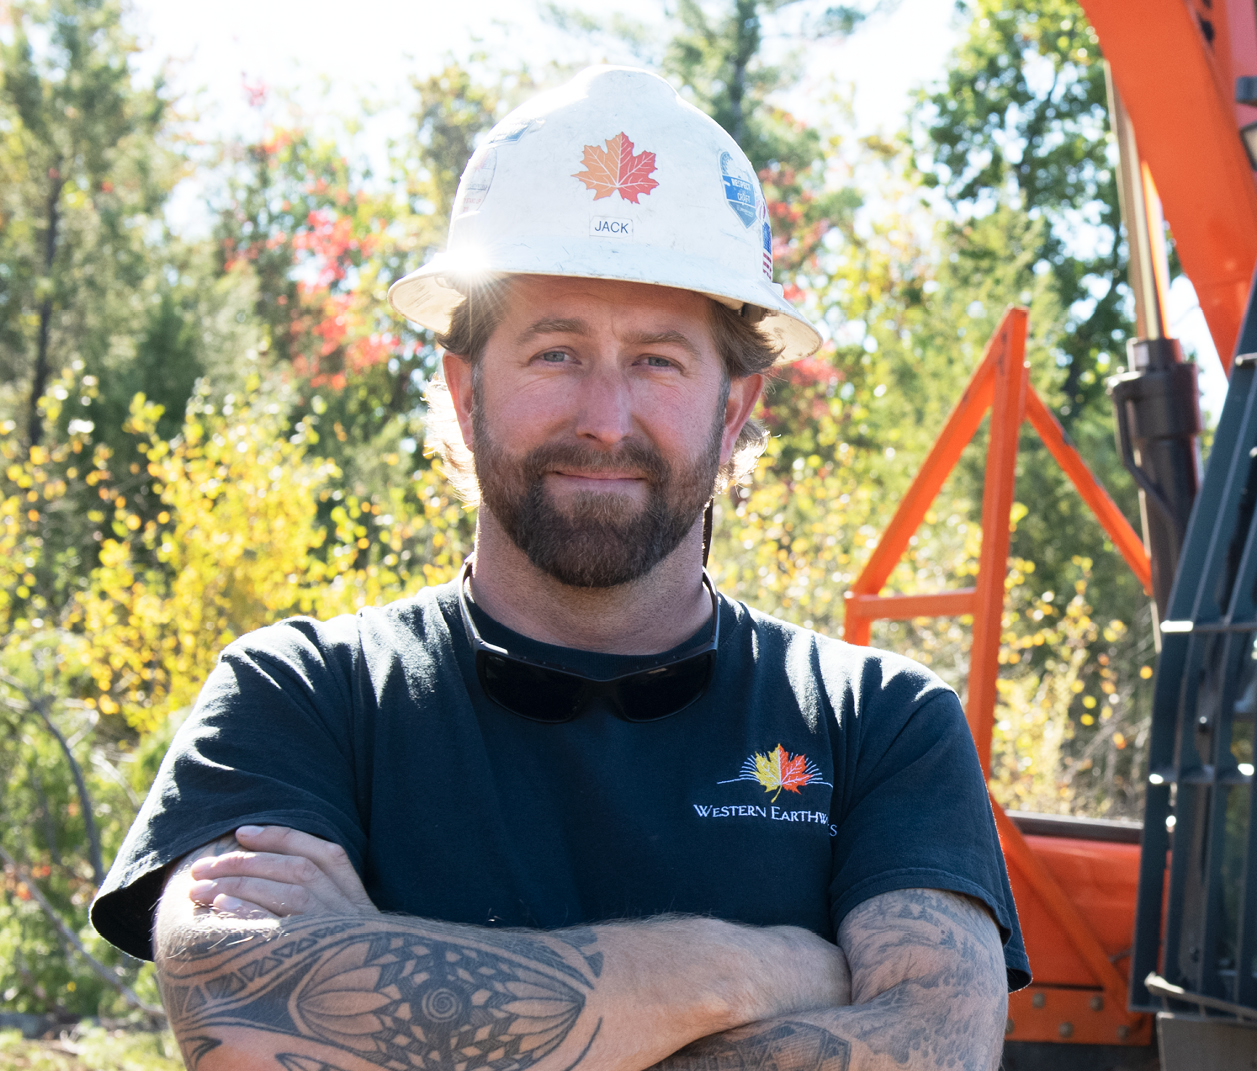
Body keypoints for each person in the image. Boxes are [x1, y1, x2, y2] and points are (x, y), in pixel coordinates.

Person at [89, 65, 1029, 1071]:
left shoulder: (877, 724)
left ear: (737, 409)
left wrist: (385, 983)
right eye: (554, 352)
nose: (604, 418)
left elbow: (932, 1050)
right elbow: (244, 1020)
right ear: (464, 390)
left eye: (659, 360)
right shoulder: (306, 696)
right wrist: (748, 972)